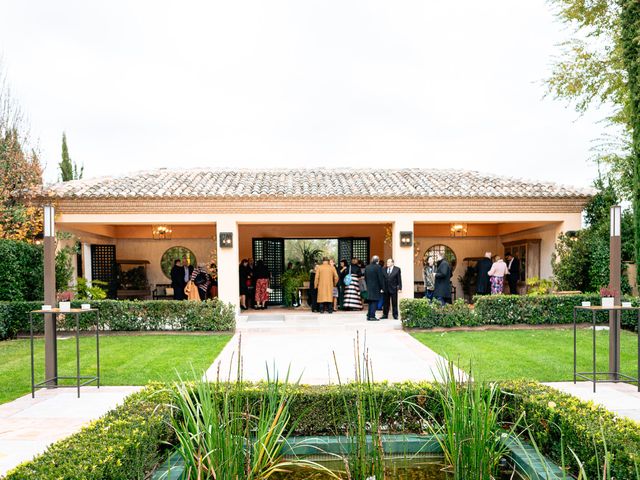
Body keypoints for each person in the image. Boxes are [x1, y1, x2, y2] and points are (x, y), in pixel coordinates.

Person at [364, 255, 385, 321]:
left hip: (369, 287)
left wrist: (368, 285)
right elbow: (380, 278)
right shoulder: (378, 267)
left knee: (370, 302)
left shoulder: (367, 267)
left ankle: (369, 316)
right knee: (375, 302)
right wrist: (382, 287)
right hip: (376, 287)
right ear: (377, 261)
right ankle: (372, 316)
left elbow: (365, 278)